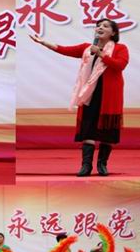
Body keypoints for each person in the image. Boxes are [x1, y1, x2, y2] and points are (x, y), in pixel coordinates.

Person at [29, 18, 129, 176]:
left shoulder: (120, 48)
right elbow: (64, 49)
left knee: (107, 130)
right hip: (89, 94)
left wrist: (101, 54)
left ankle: (102, 164)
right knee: (88, 129)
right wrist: (43, 42)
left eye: (105, 26)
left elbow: (120, 65)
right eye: (98, 26)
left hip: (109, 96)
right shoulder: (87, 49)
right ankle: (86, 166)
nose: (100, 28)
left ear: (113, 32)